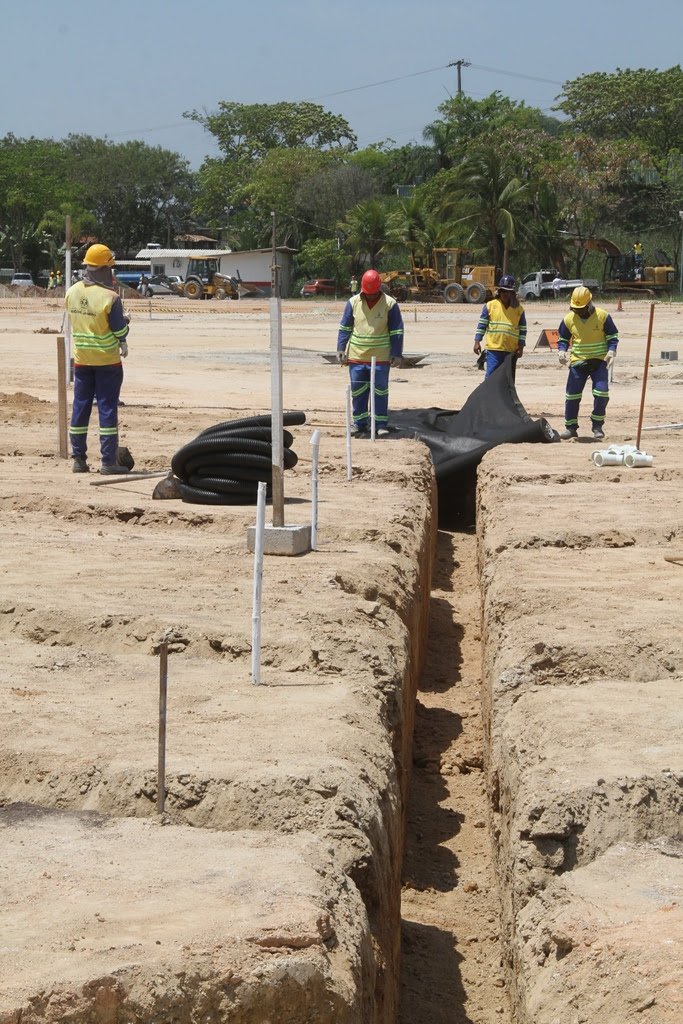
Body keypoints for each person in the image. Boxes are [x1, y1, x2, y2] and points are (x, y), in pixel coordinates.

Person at [64, 243, 131, 474]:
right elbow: (119, 331)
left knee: (80, 408)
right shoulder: (111, 298)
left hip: (81, 362)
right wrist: (125, 325)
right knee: (107, 409)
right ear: (104, 269)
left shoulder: (71, 292)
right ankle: (108, 462)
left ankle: (79, 460)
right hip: (107, 363)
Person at [337, 268, 404, 438]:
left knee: (380, 391)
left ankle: (380, 424)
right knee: (358, 391)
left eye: (373, 294)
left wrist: (397, 353)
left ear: (379, 289)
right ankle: (359, 424)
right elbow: (345, 327)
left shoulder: (390, 304)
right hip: (357, 356)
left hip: (380, 357)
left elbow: (397, 330)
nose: (371, 297)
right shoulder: (353, 302)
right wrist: (340, 348)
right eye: (368, 294)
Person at [556, 286, 618, 441]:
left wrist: (612, 351)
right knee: (572, 396)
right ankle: (571, 427)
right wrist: (561, 351)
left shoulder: (602, 316)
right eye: (575, 309)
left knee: (601, 393)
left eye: (581, 309)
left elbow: (612, 336)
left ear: (589, 304)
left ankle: (597, 425)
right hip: (578, 362)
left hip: (599, 361)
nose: (578, 312)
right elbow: (563, 339)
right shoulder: (568, 319)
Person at [473, 274, 526, 379]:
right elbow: (482, 325)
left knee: (508, 378)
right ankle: (489, 395)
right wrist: (477, 341)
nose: (505, 294)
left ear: (512, 293)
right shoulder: (490, 306)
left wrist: (521, 347)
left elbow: (523, 330)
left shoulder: (519, 309)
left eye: (508, 291)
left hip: (511, 350)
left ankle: (506, 396)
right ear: (499, 291)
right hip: (494, 349)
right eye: (503, 291)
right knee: (491, 375)